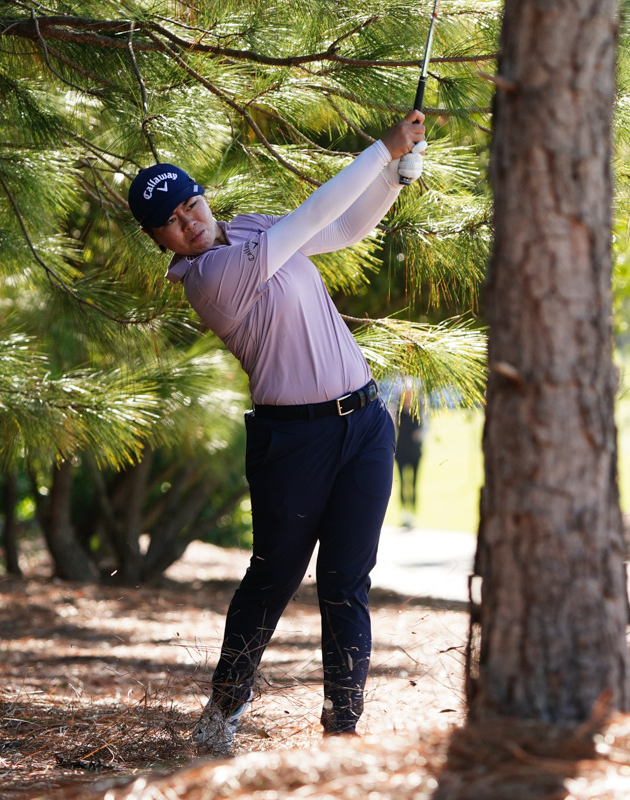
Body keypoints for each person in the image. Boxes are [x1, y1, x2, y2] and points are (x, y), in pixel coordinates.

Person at [127, 111, 426, 755]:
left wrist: (394, 179)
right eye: (172, 224)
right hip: (294, 444)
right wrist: (383, 150)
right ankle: (225, 708)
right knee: (274, 579)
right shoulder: (207, 278)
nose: (190, 222)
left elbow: (344, 227)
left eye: (191, 204)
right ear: (161, 243)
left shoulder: (253, 231)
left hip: (364, 424)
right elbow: (312, 218)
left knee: (348, 580)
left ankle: (342, 730)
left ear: (204, 196)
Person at [393, 377, 424, 527]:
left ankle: (412, 514)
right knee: (403, 483)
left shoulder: (419, 410)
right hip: (401, 452)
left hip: (415, 452)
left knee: (413, 483)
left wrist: (420, 434)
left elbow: (425, 428)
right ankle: (404, 514)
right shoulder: (397, 411)